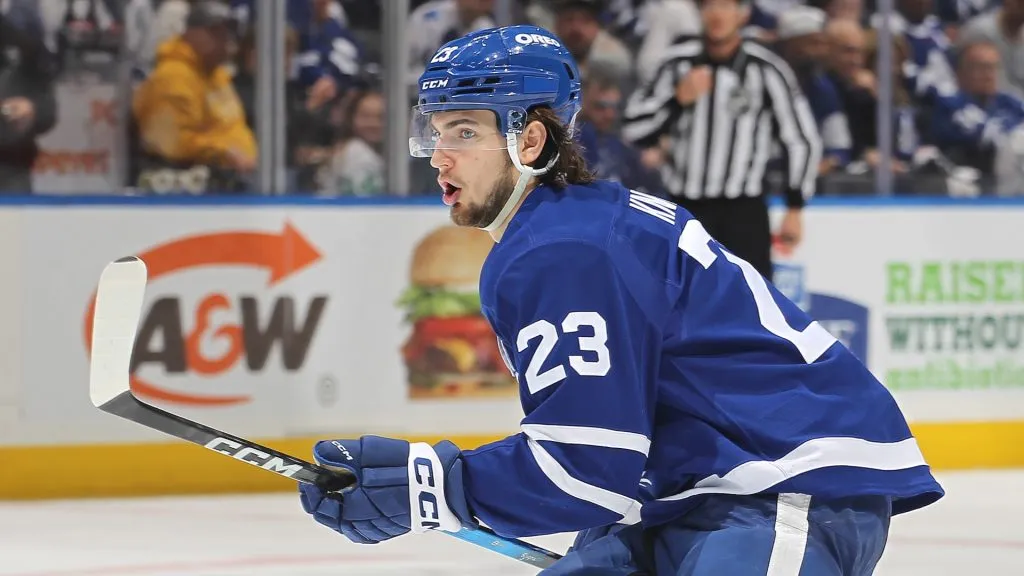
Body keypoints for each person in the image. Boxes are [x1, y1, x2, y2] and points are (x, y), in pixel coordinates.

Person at [298, 24, 945, 575]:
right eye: (434, 132)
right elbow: (616, 447)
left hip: (782, 485)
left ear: (530, 141)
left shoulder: (564, 248)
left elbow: (585, 465)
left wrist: (431, 483)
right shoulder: (570, 228)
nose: (439, 156)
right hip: (702, 493)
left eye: (464, 132)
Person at [621, 0, 821, 281]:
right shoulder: (676, 64)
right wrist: (676, 100)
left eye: (726, 6)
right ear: (700, 13)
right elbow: (633, 129)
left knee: (749, 306)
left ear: (743, 14)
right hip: (685, 209)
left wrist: (795, 206)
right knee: (681, 303)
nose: (718, 14)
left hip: (744, 211)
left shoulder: (766, 69)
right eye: (711, 6)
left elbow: (800, 138)